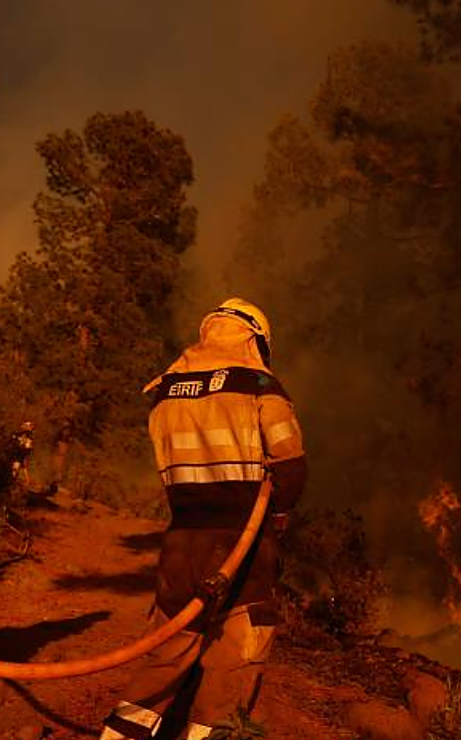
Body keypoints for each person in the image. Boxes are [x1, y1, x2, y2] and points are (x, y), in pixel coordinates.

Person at [98, 298, 307, 740]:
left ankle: (120, 734)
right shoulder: (259, 385)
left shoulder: (166, 390)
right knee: (237, 653)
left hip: (182, 542)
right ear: (254, 341)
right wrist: (281, 515)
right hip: (243, 546)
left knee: (169, 647)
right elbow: (289, 464)